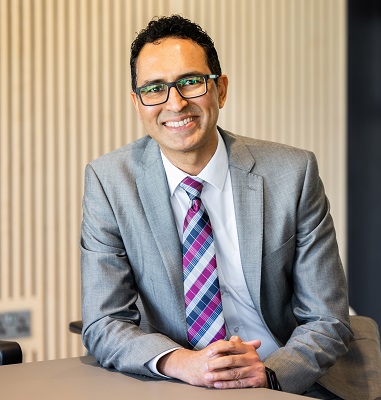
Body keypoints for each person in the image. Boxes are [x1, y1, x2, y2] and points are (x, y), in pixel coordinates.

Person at [80, 15, 353, 399]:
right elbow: (104, 321)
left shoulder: (292, 174)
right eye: (155, 88)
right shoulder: (109, 182)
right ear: (138, 103)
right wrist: (184, 363)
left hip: (282, 380)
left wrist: (270, 374)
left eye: (191, 82)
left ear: (220, 90)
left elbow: (327, 319)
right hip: (173, 382)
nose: (175, 103)